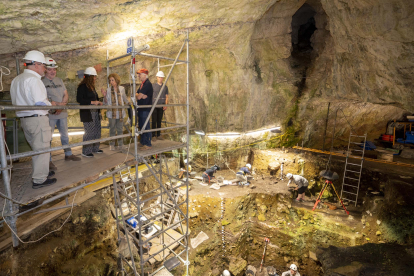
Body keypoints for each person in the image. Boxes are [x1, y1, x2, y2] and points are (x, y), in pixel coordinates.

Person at [10, 50, 57, 189]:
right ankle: (39, 180)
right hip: (37, 119)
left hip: (24, 120)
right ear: (36, 64)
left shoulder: (16, 80)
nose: (44, 69)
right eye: (43, 65)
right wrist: (52, 104)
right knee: (42, 149)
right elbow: (40, 102)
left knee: (37, 149)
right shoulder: (34, 80)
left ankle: (41, 173)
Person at [42, 57, 81, 163]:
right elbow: (43, 98)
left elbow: (66, 94)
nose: (52, 71)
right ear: (45, 69)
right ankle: (48, 160)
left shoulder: (59, 80)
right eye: (50, 69)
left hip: (62, 112)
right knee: (48, 138)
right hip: (50, 114)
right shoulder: (41, 82)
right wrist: (57, 107)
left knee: (65, 135)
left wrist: (62, 106)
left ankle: (68, 154)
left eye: (54, 69)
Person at [76, 67, 103, 157]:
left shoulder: (92, 87)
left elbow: (95, 98)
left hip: (95, 111)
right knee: (89, 131)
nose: (95, 78)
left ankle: (95, 148)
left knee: (97, 130)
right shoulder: (82, 87)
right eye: (94, 77)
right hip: (88, 112)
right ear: (90, 77)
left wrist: (98, 102)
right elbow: (79, 99)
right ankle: (86, 151)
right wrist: (92, 102)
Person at [101, 73, 129, 151]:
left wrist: (129, 103)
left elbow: (125, 99)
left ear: (116, 80)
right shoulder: (108, 90)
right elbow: (105, 103)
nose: (111, 82)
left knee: (120, 129)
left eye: (112, 80)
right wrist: (104, 96)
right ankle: (112, 144)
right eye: (110, 80)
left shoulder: (122, 89)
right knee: (112, 129)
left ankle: (120, 145)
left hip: (120, 113)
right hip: (111, 113)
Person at [135, 68, 153, 150]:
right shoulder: (142, 84)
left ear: (145, 75)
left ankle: (148, 144)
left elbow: (138, 97)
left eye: (140, 74)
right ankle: (143, 141)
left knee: (146, 126)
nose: (138, 76)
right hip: (141, 108)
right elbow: (136, 94)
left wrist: (139, 95)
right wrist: (140, 95)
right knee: (142, 125)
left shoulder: (147, 84)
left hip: (145, 108)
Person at [151, 71, 169, 141]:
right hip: (154, 106)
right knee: (154, 120)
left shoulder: (165, 87)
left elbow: (166, 96)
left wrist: (165, 104)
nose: (160, 78)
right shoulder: (153, 86)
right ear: (157, 77)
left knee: (159, 120)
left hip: (161, 105)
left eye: (161, 77)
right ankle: (153, 135)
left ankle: (158, 134)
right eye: (159, 77)